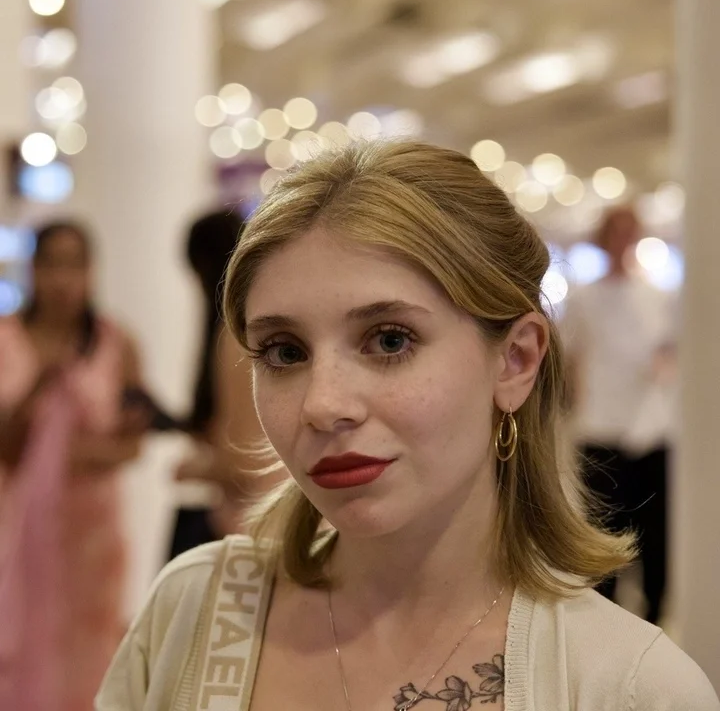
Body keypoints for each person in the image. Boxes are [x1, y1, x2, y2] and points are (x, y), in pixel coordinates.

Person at [96, 141, 719, 711]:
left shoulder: (629, 688)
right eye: (285, 352)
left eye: (390, 340)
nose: (323, 404)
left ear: (515, 360)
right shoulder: (191, 613)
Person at [0, 221, 149, 711]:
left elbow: (132, 444)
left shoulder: (115, 342)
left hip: (91, 532)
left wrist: (71, 453)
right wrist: (39, 391)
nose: (63, 279)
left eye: (75, 265)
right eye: (52, 264)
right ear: (34, 269)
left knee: (91, 650)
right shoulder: (6, 339)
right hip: (16, 527)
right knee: (17, 641)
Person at [563, 207, 676, 624]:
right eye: (617, 232)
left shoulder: (656, 297)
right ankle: (605, 621)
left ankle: (654, 614)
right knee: (604, 532)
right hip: (601, 427)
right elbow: (572, 358)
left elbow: (669, 351)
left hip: (649, 429)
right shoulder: (585, 298)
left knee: (654, 532)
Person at [168, 210, 279, 560]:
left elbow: (244, 462)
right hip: (261, 519)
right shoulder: (251, 332)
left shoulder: (236, 337)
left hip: (252, 525)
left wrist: (193, 468)